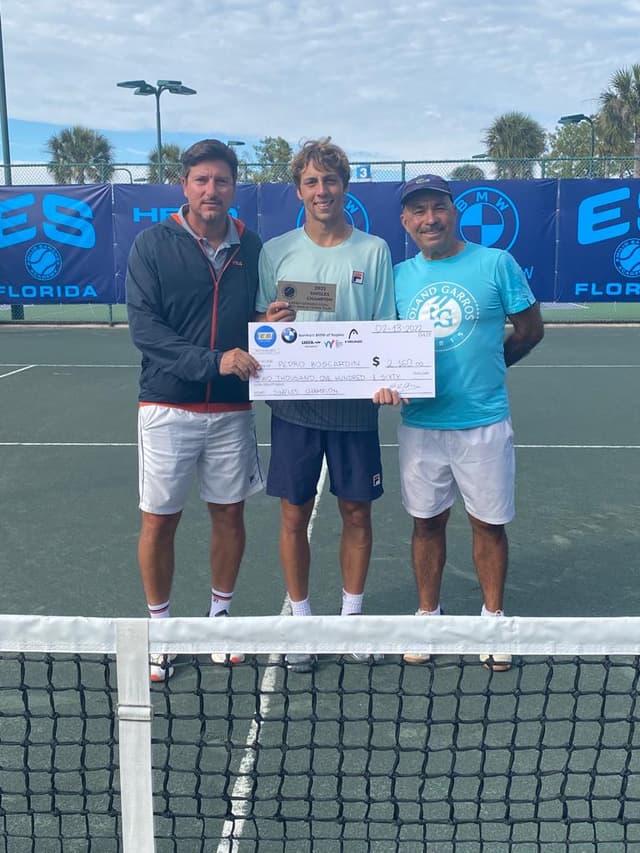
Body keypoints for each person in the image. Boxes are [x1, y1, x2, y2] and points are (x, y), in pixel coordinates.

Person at [255, 138, 397, 672]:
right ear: (299, 190)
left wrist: (387, 377)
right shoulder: (277, 250)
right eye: (311, 182)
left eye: (330, 180)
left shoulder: (374, 250)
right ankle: (302, 620)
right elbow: (259, 324)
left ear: (345, 187)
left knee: (356, 512)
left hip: (357, 408)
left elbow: (385, 326)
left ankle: (352, 619)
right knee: (294, 514)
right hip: (294, 407)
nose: (322, 191)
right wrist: (268, 323)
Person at [126, 139, 264, 682]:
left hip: (233, 410)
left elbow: (262, 323)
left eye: (222, 181)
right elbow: (146, 331)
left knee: (229, 513)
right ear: (184, 184)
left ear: (234, 187)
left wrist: (272, 321)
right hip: (166, 405)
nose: (212, 190)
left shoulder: (253, 248)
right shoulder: (152, 245)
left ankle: (219, 618)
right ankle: (159, 628)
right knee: (159, 520)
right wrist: (213, 361)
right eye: (201, 180)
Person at [393, 174, 544, 670]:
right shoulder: (396, 276)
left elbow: (529, 330)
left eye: (438, 208)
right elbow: (380, 347)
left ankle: (492, 619)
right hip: (420, 424)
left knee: (488, 524)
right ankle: (427, 616)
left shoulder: (495, 263)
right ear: (405, 222)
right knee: (426, 523)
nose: (429, 219)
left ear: (454, 212)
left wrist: (491, 368)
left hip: (483, 423)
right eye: (418, 211)